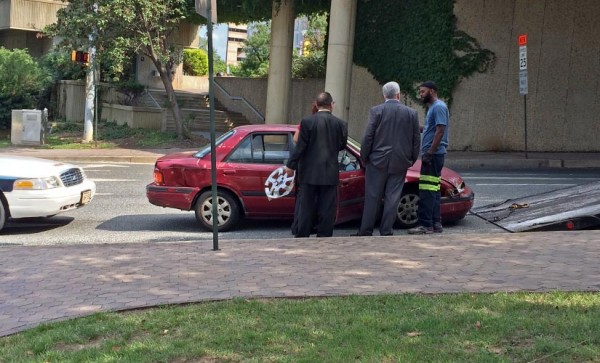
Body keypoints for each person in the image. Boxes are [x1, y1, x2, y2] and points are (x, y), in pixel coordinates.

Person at [352, 81, 420, 236]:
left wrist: (365, 157)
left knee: (372, 196)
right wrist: (411, 159)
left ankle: (366, 230)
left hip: (376, 160)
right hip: (400, 161)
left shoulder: (376, 111)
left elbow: (368, 136)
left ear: (384, 95)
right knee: (393, 197)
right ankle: (386, 230)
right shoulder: (411, 113)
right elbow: (416, 140)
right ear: (398, 94)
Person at [286, 92, 348, 237]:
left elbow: (300, 147)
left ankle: (303, 234)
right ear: (331, 105)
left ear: (317, 105)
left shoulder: (307, 122)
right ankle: (324, 235)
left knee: (306, 206)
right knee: (327, 207)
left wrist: (291, 165)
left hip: (309, 172)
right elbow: (341, 145)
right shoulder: (341, 124)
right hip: (330, 171)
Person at [408, 81, 450, 234]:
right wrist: (419, 128)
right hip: (434, 155)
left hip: (433, 155)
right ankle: (435, 223)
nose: (420, 94)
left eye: (423, 91)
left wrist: (430, 152)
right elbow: (432, 129)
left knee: (427, 190)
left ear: (432, 91)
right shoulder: (434, 107)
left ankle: (426, 225)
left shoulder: (438, 107)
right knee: (434, 189)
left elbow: (440, 131)